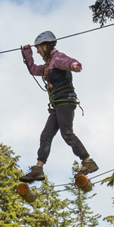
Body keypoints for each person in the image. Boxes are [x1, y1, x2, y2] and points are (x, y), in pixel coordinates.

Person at [19, 31, 97, 183]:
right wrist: (27, 52)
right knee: (46, 135)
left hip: (65, 101)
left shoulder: (57, 58)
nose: (37, 51)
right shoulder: (48, 65)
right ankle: (38, 169)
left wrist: (75, 65)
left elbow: (68, 61)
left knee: (66, 133)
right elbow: (34, 70)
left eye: (38, 48)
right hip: (57, 104)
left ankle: (88, 161)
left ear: (46, 46)